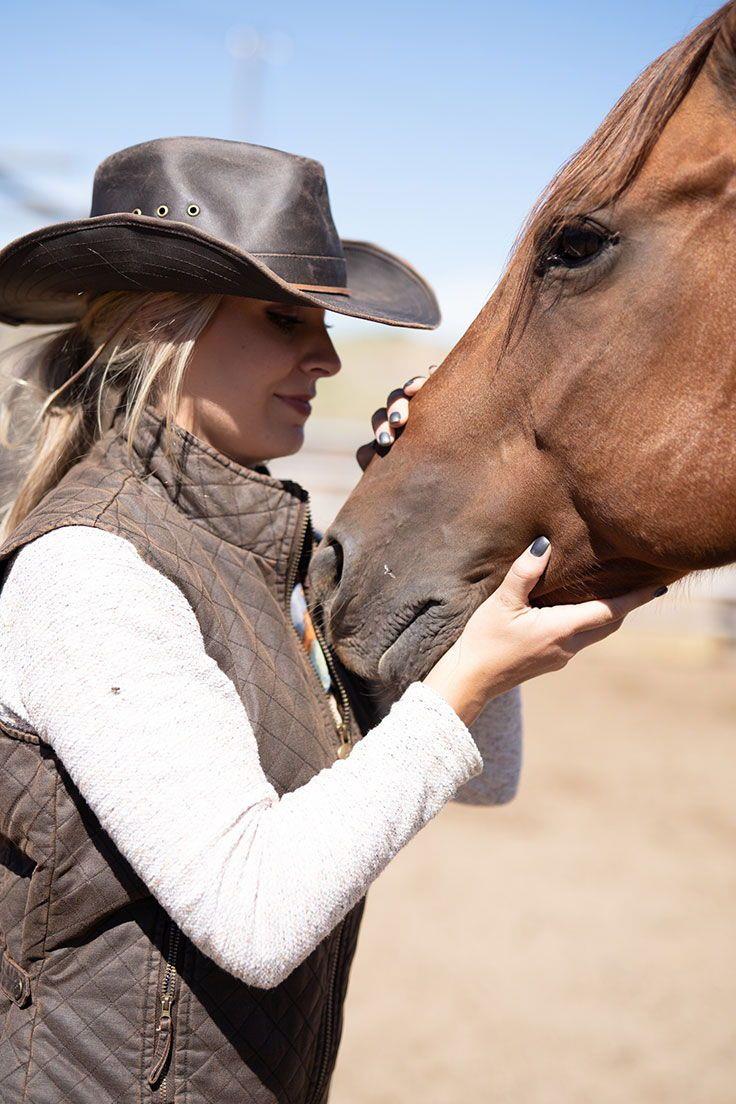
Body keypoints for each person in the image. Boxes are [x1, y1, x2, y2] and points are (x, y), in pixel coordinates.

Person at [0, 136, 662, 1104]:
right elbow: (254, 912)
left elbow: (485, 778)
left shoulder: (264, 553)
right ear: (159, 324)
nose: (329, 356)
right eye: (284, 320)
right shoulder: (93, 569)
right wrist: (468, 677)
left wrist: (427, 520)